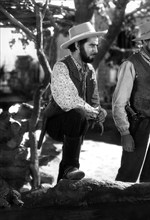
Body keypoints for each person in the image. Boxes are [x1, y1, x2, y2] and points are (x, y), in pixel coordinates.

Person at [44, 22, 108, 182]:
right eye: (92, 45)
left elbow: (94, 99)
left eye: (97, 46)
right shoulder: (61, 67)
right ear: (78, 45)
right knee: (77, 113)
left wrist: (99, 111)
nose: (96, 49)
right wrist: (92, 111)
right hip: (57, 122)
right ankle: (71, 168)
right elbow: (68, 100)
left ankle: (66, 176)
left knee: (80, 116)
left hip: (79, 121)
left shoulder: (90, 69)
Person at [112, 18, 150, 183]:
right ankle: (119, 204)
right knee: (129, 173)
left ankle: (144, 206)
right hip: (137, 124)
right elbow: (119, 102)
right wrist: (125, 133)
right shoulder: (130, 64)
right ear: (144, 42)